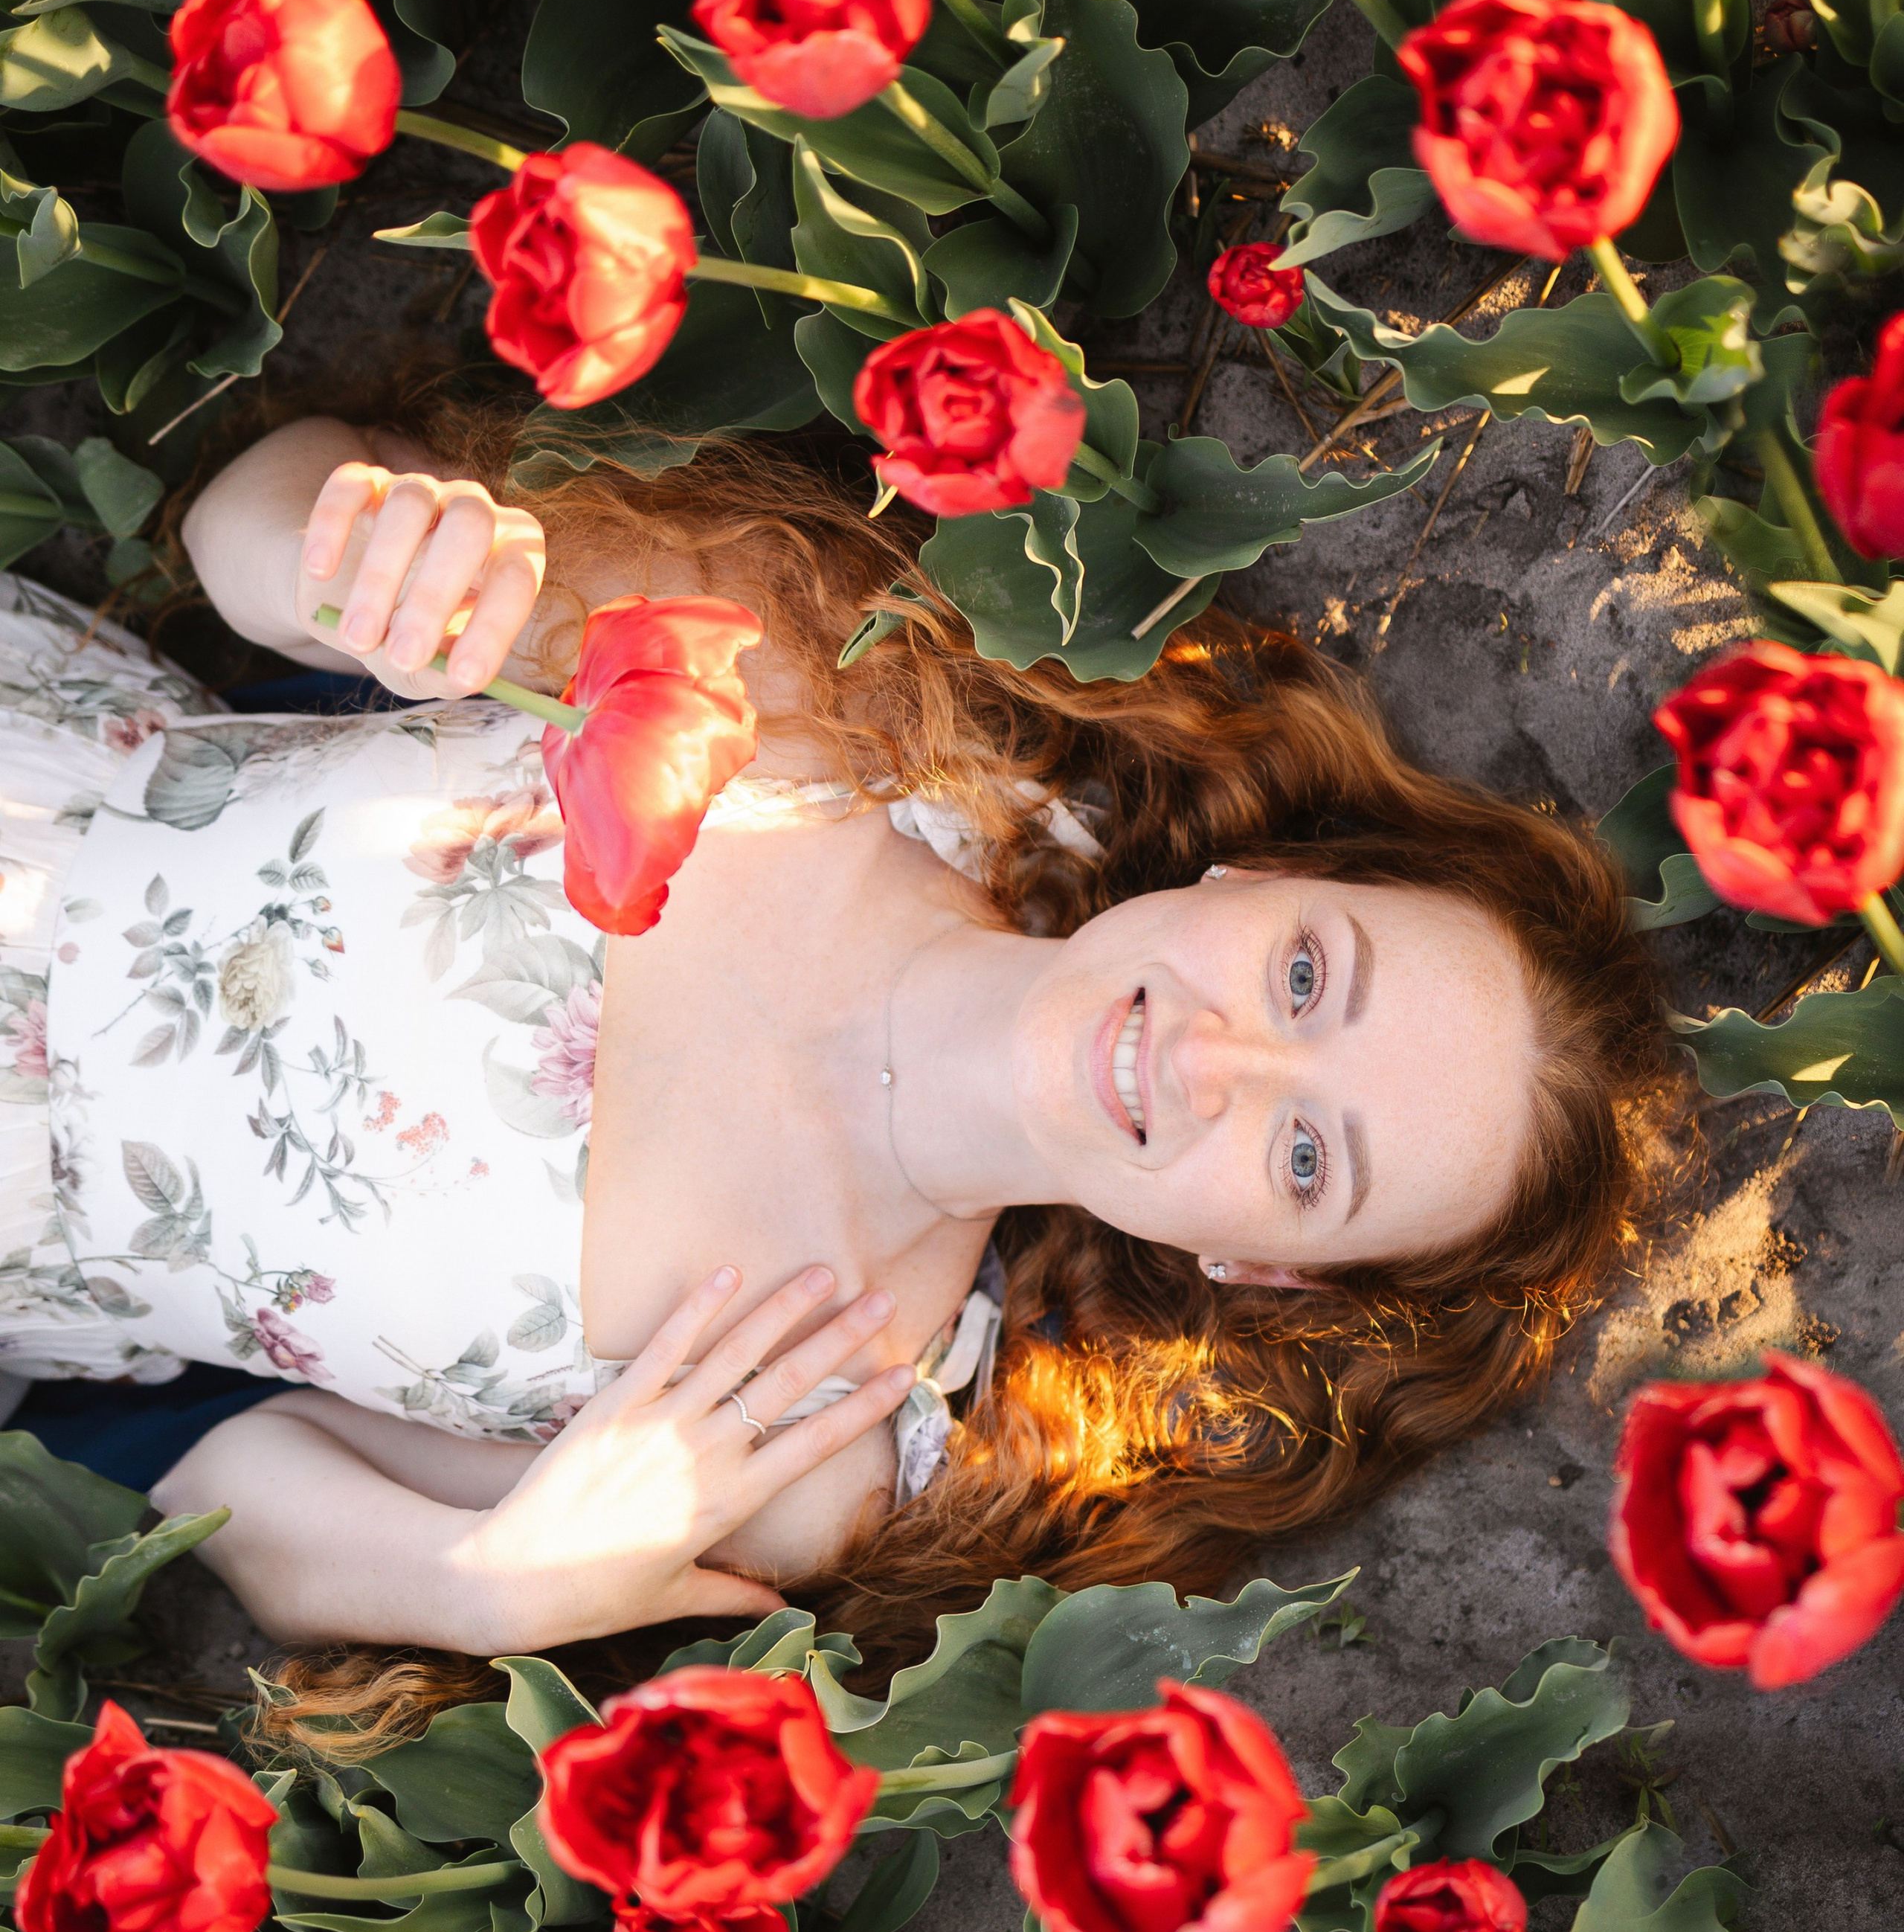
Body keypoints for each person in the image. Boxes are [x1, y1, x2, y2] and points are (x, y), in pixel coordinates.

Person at [0, 376, 1663, 1745]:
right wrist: (353, 559)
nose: (1221, 1059)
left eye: (1309, 1157)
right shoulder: (820, 697)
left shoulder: (817, 1425)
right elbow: (250, 511)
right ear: (1260, 875)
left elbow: (216, 1465)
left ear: (1253, 1264)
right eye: (1307, 974)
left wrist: (492, 1583)